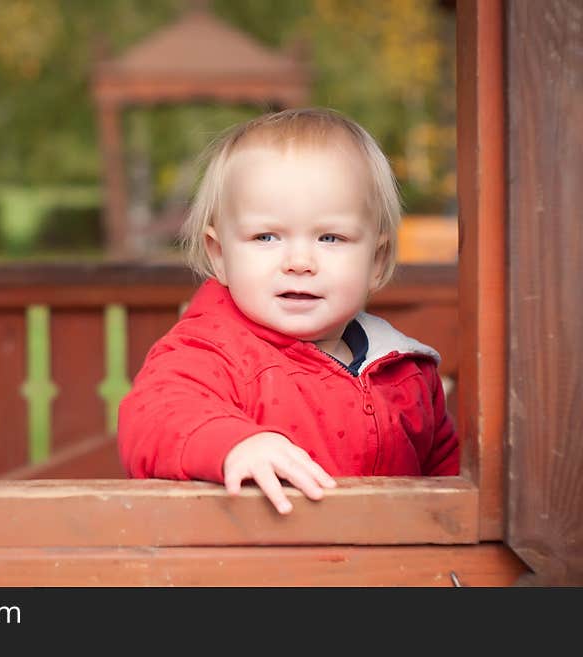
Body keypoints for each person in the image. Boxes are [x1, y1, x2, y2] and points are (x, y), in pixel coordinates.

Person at [117, 107, 459, 514]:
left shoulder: (405, 370)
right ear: (220, 254)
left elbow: (447, 478)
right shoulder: (208, 353)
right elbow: (153, 418)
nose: (299, 261)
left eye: (330, 238)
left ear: (377, 260)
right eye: (266, 236)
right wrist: (234, 444)